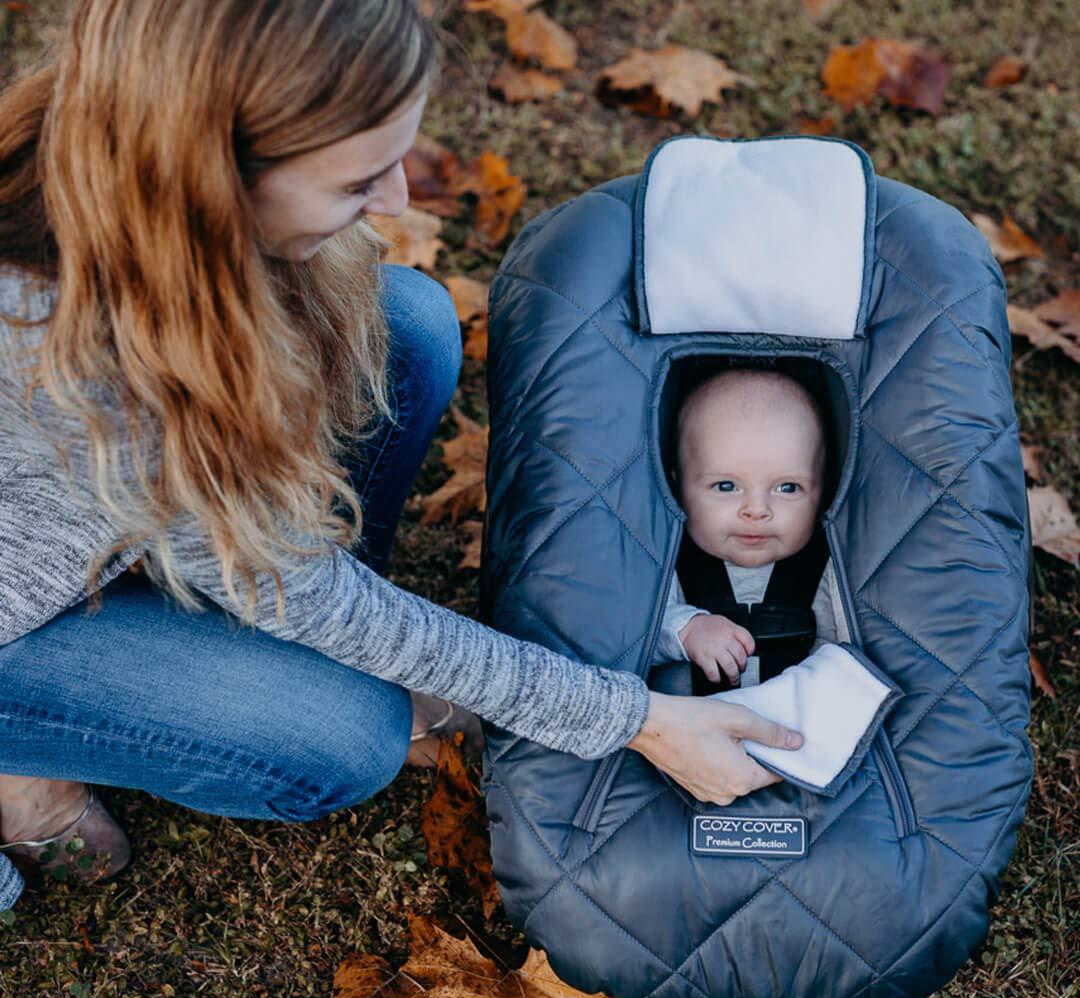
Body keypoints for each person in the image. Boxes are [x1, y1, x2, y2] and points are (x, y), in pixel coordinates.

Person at [0, 0, 803, 909]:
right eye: (356, 184)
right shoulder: (71, 347)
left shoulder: (133, 204)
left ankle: (298, 647)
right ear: (211, 181)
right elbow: (291, 591)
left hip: (99, 512)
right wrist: (639, 720)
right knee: (345, 733)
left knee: (405, 324)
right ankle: (18, 763)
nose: (399, 203)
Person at [653, 369, 839, 688]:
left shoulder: (835, 571)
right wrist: (685, 629)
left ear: (824, 491)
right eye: (726, 486)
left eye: (787, 488)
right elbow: (628, 640)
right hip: (686, 731)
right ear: (678, 486)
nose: (756, 510)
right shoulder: (664, 561)